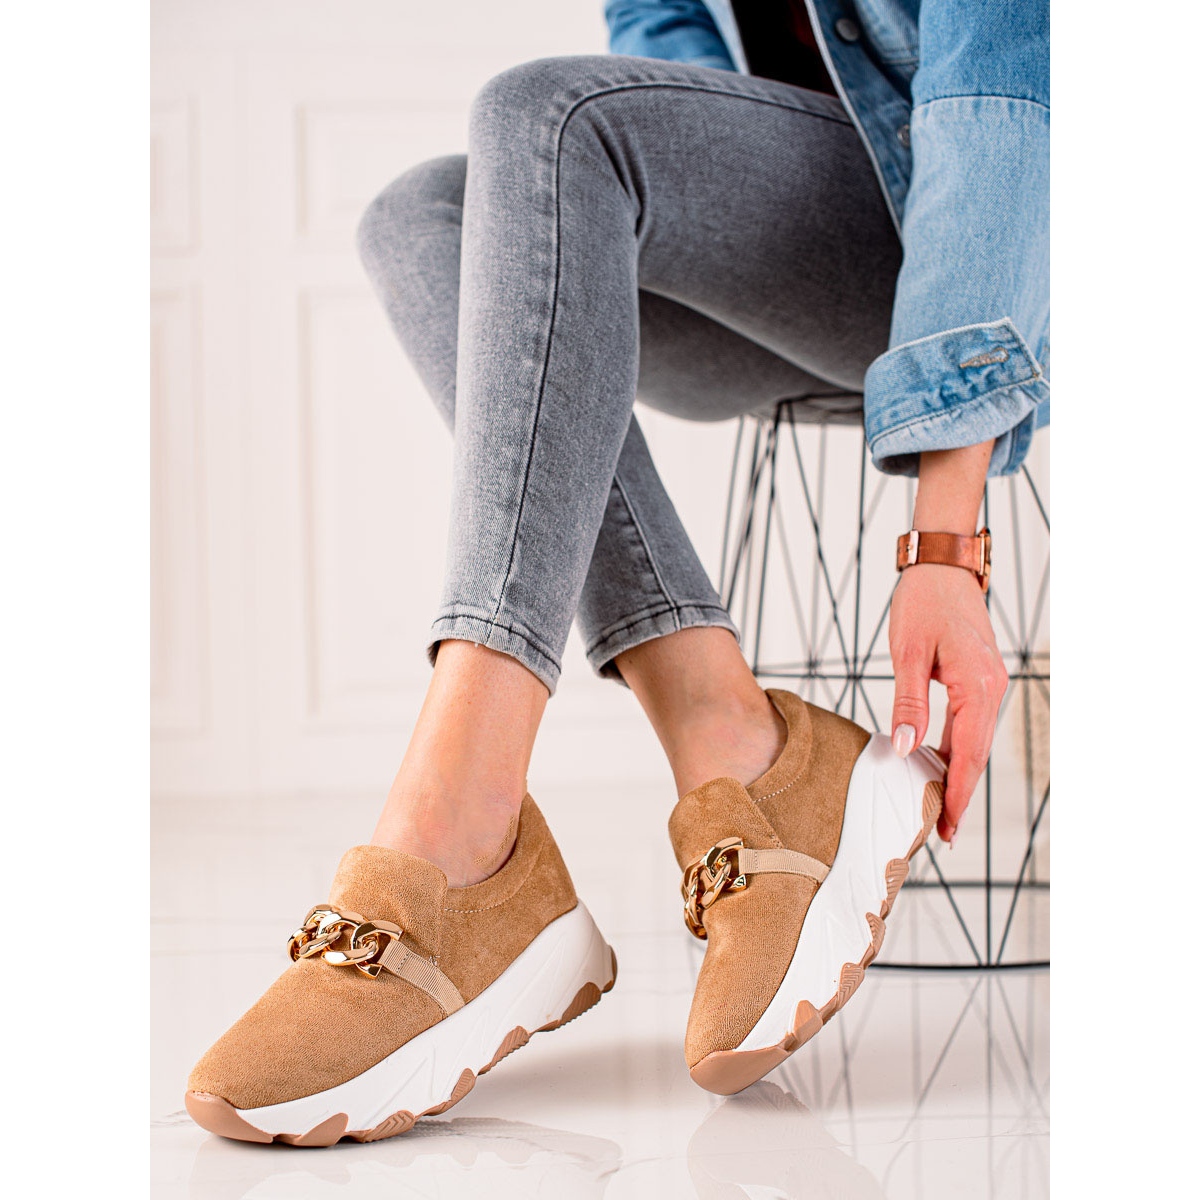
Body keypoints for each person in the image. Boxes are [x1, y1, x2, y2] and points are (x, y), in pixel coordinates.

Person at [184, 0, 1048, 1144]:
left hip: (1017, 235)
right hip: (821, 252)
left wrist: (946, 545)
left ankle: (461, 829)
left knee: (551, 114)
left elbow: (1006, 97)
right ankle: (734, 741)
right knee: (423, 216)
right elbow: (667, 47)